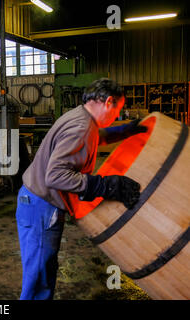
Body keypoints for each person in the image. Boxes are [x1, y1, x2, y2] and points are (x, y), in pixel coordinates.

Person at [16, 78, 147, 300]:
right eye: (118, 111)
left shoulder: (81, 116)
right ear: (108, 102)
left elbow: (97, 137)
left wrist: (124, 131)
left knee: (44, 273)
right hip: (42, 206)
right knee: (38, 279)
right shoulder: (81, 127)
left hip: (36, 201)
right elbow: (56, 176)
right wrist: (104, 185)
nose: (117, 116)